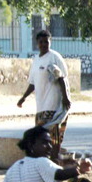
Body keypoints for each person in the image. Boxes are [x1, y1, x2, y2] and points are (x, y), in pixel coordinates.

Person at [17, 30, 70, 161]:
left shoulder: (54, 57)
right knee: (41, 137)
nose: (44, 44)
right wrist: (23, 97)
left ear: (50, 42)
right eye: (41, 42)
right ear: (37, 43)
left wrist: (65, 97)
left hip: (54, 105)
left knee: (55, 137)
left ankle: (54, 161)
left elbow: (61, 78)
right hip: (41, 106)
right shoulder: (36, 61)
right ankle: (45, 162)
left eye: (46, 42)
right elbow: (33, 83)